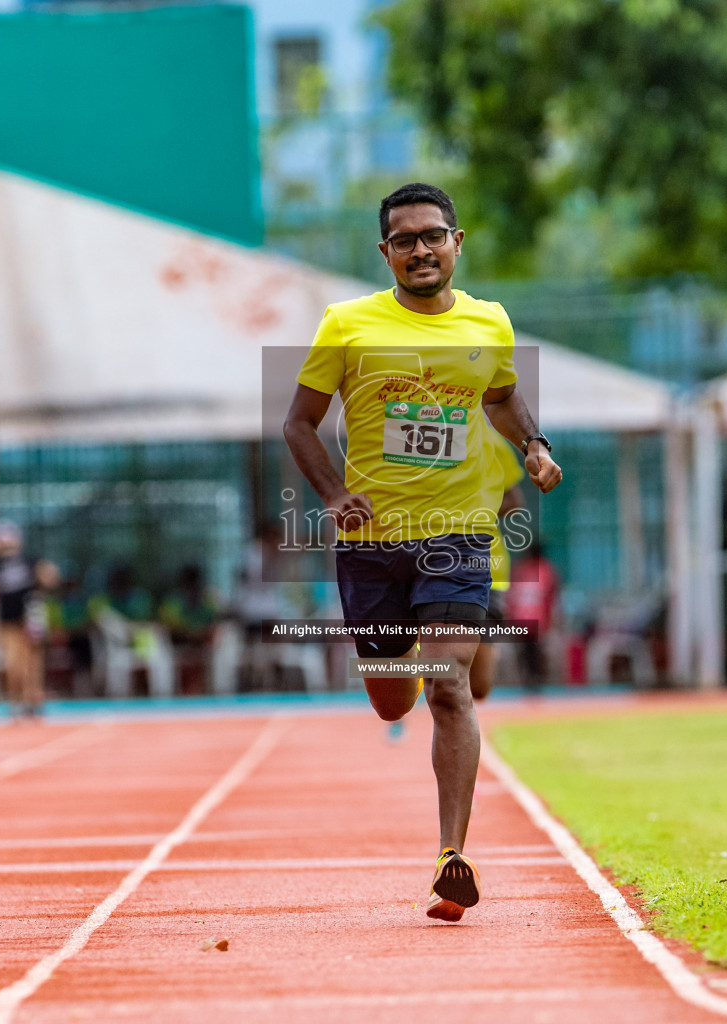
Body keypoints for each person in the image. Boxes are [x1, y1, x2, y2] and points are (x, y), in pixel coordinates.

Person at [283, 182, 563, 922]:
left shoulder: (489, 322)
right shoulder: (347, 326)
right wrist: (334, 495)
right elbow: (299, 424)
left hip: (457, 535)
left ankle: (451, 858)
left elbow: (501, 396)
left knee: (450, 688)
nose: (420, 249)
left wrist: (532, 444)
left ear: (457, 242)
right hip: (372, 544)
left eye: (432, 235)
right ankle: (396, 664)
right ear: (386, 254)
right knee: (389, 701)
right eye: (404, 240)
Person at [469, 430, 527, 702]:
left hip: (487, 567)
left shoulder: (490, 440)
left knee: (478, 686)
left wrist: (471, 509)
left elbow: (514, 500)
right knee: (444, 675)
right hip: (423, 561)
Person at [0, 522, 49, 721]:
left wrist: (46, 575)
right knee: (13, 664)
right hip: (8, 622)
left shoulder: (29, 560)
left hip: (30, 620)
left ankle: (34, 699)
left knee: (32, 662)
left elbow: (48, 580)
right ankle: (16, 699)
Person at [506, 541, 560, 692]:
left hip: (520, 618)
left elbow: (511, 595)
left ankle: (530, 679)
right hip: (537, 618)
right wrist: (550, 619)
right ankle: (535, 679)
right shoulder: (546, 570)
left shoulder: (521, 569)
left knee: (526, 651)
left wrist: (510, 617)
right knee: (535, 651)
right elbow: (550, 597)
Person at [158, 563, 219, 695]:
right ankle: (185, 690)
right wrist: (192, 633)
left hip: (202, 645)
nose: (192, 587)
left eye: (195, 583)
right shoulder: (173, 602)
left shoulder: (207, 602)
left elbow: (213, 625)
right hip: (178, 645)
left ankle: (203, 690)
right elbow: (170, 628)